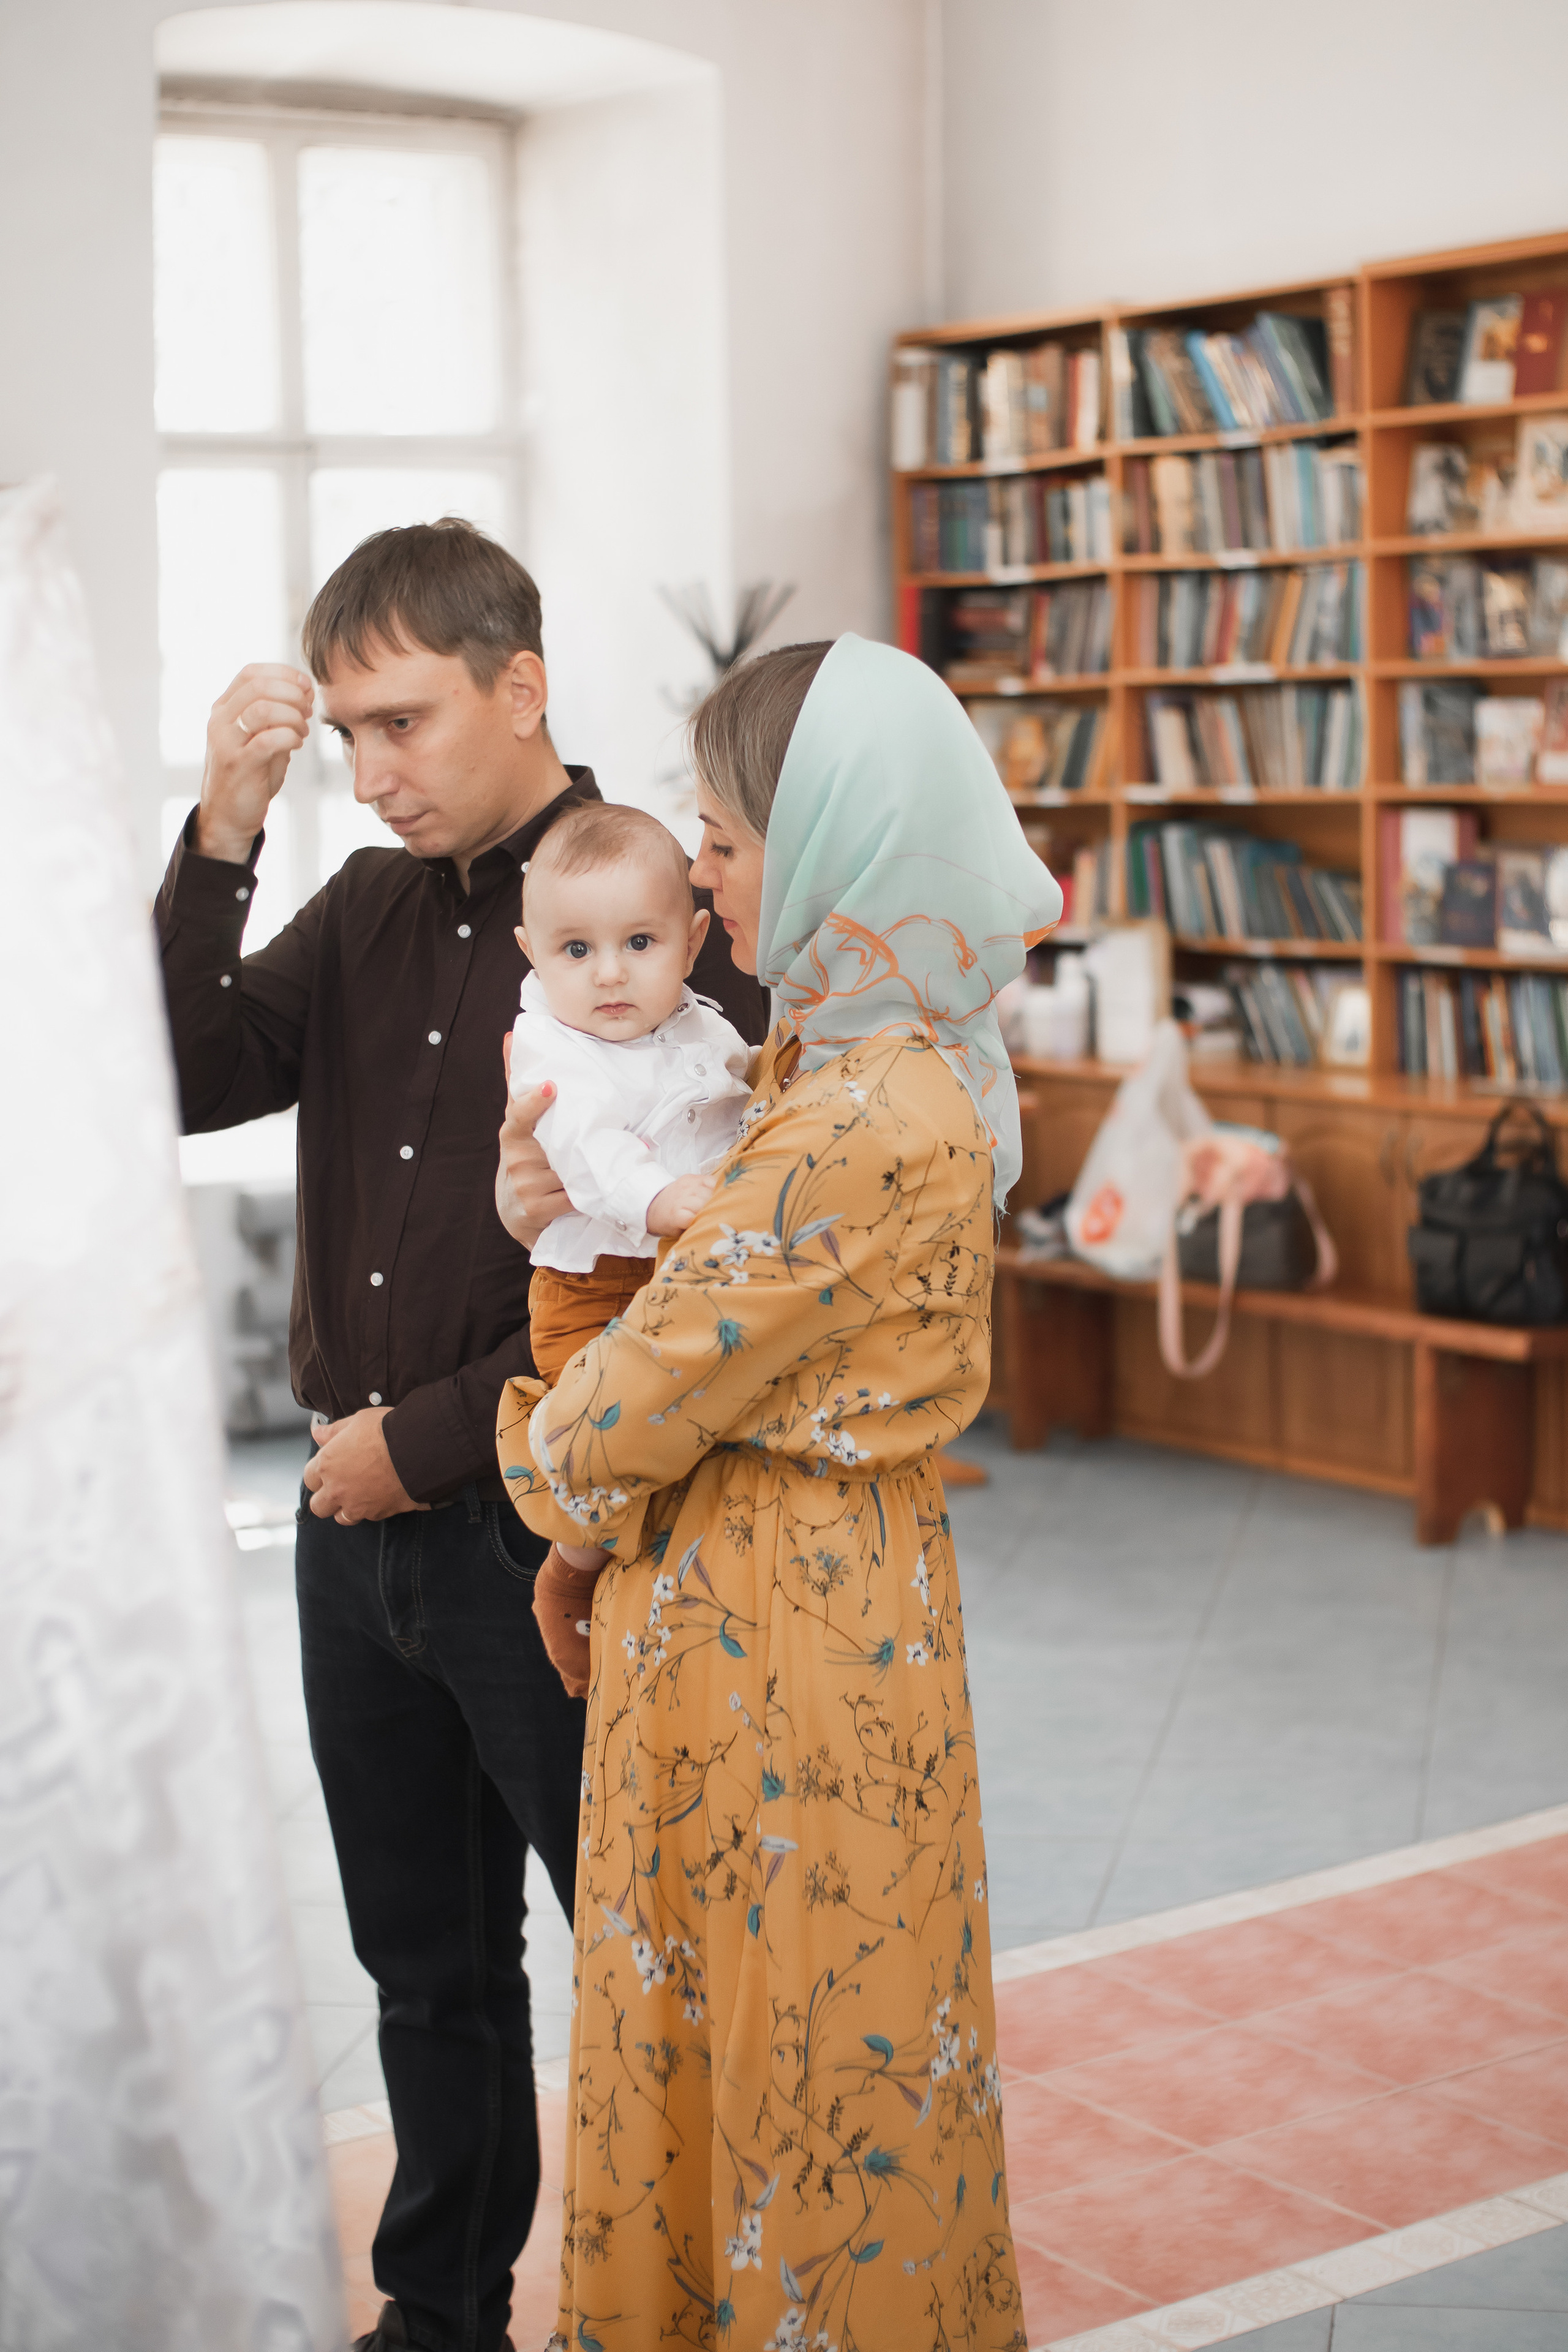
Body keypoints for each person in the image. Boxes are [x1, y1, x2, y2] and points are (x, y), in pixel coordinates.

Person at [153, 519, 764, 2352]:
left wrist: (418, 1444)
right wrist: (224, 837)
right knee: (423, 1969)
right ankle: (438, 2315)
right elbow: (172, 1079)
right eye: (343, 733)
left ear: (523, 685)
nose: (373, 770)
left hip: (549, 1533)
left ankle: (684, 2311)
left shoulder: (659, 909)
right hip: (356, 1553)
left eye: (402, 722)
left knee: (637, 1953)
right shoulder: (350, 909)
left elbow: (674, 1258)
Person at [493, 633, 1061, 2352]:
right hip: (809, 1600)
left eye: (728, 835)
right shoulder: (853, 1068)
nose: (710, 875)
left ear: (832, 834)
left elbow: (609, 1423)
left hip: (778, 1634)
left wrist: (545, 1354)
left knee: (806, 2047)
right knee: (783, 2025)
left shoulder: (846, 1120)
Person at [507, 798, 754, 1690]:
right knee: (599, 1454)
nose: (609, 975)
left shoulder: (704, 1025)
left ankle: (669, 1627)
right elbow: (588, 1150)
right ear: (533, 953)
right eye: (577, 950)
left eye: (639, 945)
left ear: (691, 943)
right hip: (594, 1286)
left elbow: (743, 1098)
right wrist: (658, 1201)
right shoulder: (551, 1045)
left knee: (683, 1460)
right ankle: (567, 1575)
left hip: (687, 1277)